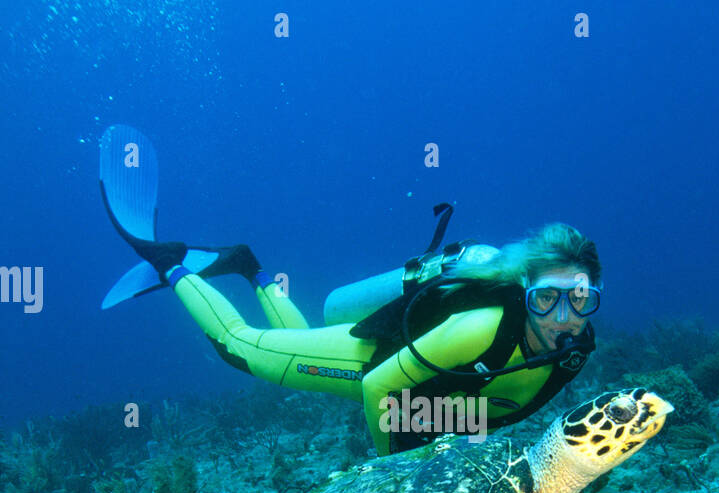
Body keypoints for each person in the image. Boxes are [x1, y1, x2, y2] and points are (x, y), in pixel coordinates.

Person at [100, 127, 603, 455]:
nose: (563, 318)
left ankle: (247, 267)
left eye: (579, 300)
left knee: (302, 341)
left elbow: (484, 405)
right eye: (546, 299)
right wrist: (394, 476)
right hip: (370, 361)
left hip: (418, 387)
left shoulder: (573, 352)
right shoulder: (483, 327)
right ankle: (168, 262)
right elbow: (379, 388)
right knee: (241, 349)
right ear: (524, 291)